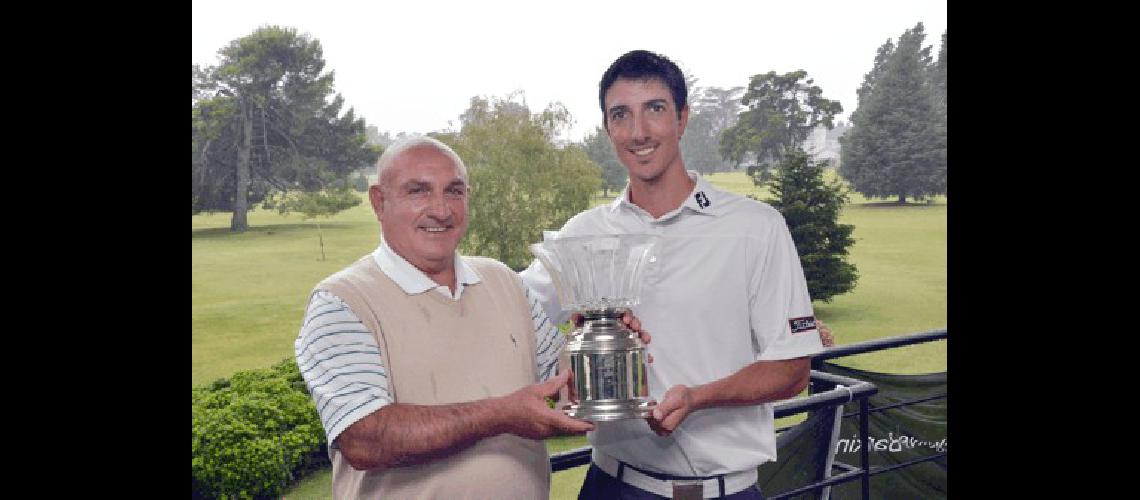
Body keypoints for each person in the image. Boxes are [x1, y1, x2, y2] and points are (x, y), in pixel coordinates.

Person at [519, 49, 826, 499]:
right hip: (612, 485)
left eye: (655, 110)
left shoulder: (755, 228)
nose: (638, 132)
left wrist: (696, 398)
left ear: (683, 119)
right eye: (621, 115)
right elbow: (508, 310)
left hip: (728, 490)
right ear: (607, 129)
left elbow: (793, 369)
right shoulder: (584, 234)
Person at [294, 136, 643, 498]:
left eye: (454, 191)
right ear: (379, 202)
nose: (441, 210)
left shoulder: (503, 280)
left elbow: (562, 383)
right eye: (418, 191)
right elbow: (364, 438)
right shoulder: (341, 301)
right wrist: (500, 415)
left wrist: (599, 339)